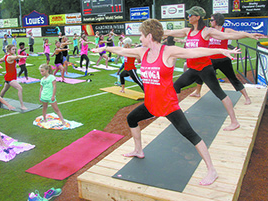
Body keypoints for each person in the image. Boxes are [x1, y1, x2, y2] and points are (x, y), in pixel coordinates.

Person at [92, 19, 241, 186]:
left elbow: (195, 52)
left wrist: (221, 50)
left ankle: (212, 170)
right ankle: (138, 150)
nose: (139, 38)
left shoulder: (168, 52)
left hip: (168, 105)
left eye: (141, 35)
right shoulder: (142, 52)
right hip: (150, 104)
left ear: (149, 35)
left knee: (190, 134)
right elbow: (120, 50)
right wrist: (105, 47)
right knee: (131, 118)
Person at [164, 6, 266, 131]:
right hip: (193, 69)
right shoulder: (187, 31)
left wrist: (249, 35)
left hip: (205, 69)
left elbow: (229, 36)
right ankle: (176, 116)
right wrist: (151, 31)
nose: (188, 17)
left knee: (220, 94)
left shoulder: (207, 31)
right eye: (188, 15)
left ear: (198, 17)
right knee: (176, 87)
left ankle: (234, 122)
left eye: (191, 15)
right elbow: (167, 33)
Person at [189, 13, 252, 105]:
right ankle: (197, 92)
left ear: (217, 21)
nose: (210, 22)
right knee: (200, 74)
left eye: (212, 20)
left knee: (232, 78)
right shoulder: (209, 31)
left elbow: (238, 34)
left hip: (223, 60)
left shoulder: (226, 30)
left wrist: (250, 35)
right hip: (210, 60)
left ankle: (247, 97)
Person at [0, 44, 28, 110]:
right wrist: (24, 56)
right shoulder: (9, 57)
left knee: (4, 90)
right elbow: (17, 57)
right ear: (9, 50)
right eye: (13, 49)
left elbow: (1, 59)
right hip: (10, 78)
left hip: (9, 76)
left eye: (14, 49)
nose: (14, 50)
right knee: (19, 88)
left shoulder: (6, 56)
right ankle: (22, 105)